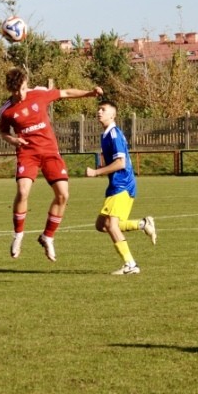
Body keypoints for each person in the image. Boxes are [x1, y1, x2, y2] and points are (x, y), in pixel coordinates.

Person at [0, 67, 102, 262]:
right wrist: (13, 140)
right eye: (15, 91)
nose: (20, 94)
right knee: (23, 191)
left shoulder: (39, 94)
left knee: (63, 194)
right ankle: (18, 235)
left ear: (26, 83)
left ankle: (47, 237)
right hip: (27, 153)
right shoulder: (6, 111)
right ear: (9, 89)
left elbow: (65, 93)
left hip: (50, 152)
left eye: (22, 89)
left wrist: (90, 93)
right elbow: (3, 132)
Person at [85, 100, 156, 275]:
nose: (99, 112)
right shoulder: (106, 135)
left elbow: (121, 163)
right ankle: (142, 224)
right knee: (102, 225)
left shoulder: (114, 135)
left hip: (122, 184)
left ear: (113, 114)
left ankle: (130, 264)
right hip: (117, 184)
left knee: (111, 224)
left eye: (103, 109)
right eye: (98, 109)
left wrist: (96, 172)